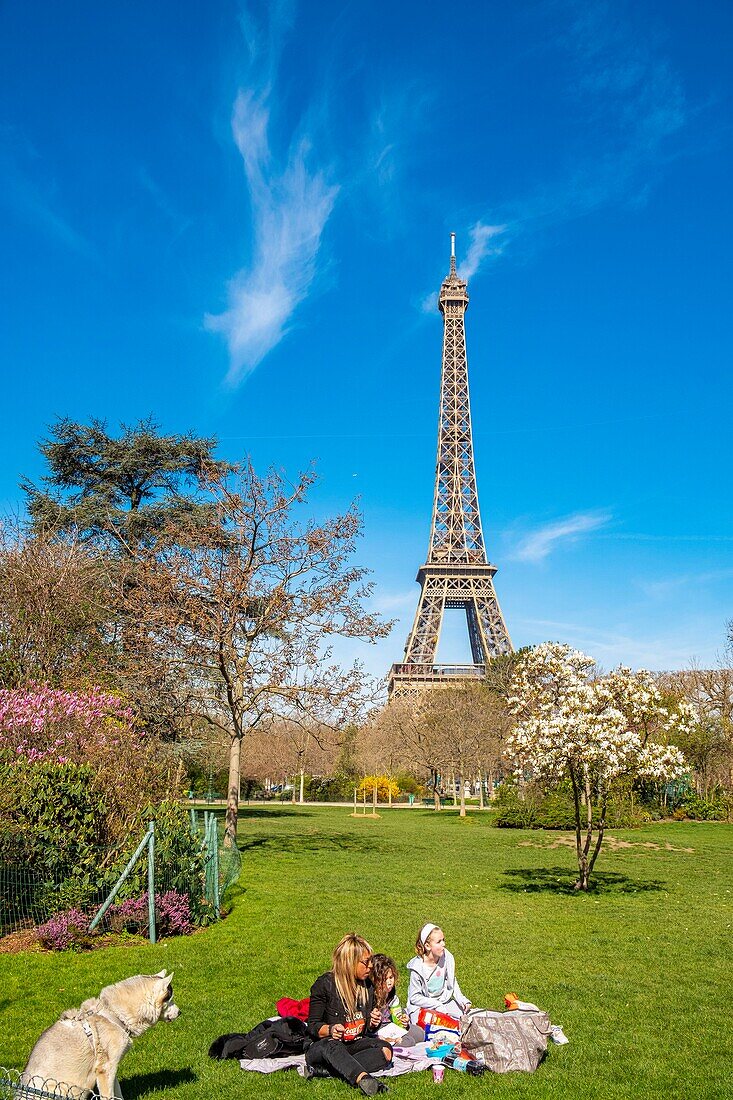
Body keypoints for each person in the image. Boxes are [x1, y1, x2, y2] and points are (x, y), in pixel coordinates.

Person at [306, 933, 391, 1095]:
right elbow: (312, 1026)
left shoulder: (367, 987)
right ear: (350, 962)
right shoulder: (325, 985)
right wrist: (330, 1030)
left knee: (385, 1050)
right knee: (332, 1044)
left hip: (352, 1045)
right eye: (366, 963)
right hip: (323, 1047)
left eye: (370, 961)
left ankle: (327, 1071)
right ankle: (364, 1080)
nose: (371, 967)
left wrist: (374, 1023)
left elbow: (367, 1031)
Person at [405, 922, 472, 1025]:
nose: (443, 944)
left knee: (463, 1018)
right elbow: (414, 997)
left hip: (443, 1001)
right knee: (420, 1024)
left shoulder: (447, 958)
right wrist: (436, 1005)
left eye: (443, 940)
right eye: (439, 942)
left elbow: (452, 981)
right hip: (422, 1005)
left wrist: (461, 999)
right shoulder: (417, 968)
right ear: (427, 946)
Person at [370, 954, 424, 1047]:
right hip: (376, 1030)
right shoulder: (370, 996)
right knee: (408, 1042)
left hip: (391, 1025)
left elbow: (397, 1013)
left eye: (391, 977)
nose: (389, 982)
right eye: (384, 979)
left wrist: (404, 1020)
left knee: (420, 1034)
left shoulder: (391, 994)